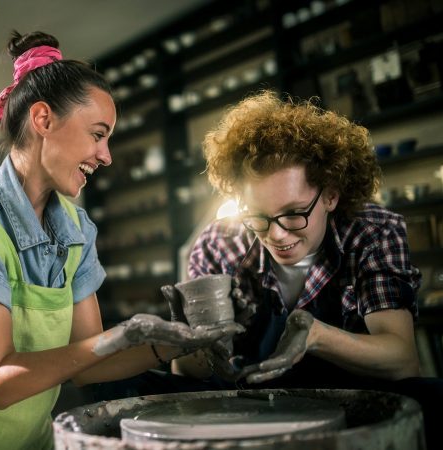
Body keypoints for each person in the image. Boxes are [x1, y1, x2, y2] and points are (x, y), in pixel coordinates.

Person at [0, 31, 241, 450]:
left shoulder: (75, 230)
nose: (107, 155)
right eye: (98, 134)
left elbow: (86, 365)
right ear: (43, 120)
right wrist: (120, 334)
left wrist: (169, 343)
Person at [173, 90, 442, 447]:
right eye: (258, 217)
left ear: (330, 195)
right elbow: (185, 373)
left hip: (351, 404)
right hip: (249, 410)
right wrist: (190, 346)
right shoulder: (217, 244)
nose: (277, 235)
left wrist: (316, 336)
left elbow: (402, 359)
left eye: (294, 213)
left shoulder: (372, 231)